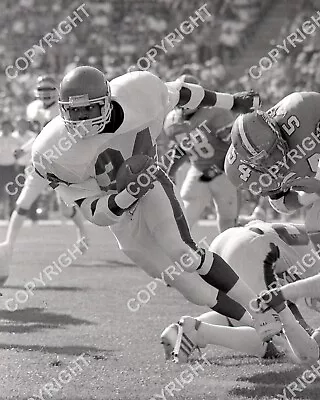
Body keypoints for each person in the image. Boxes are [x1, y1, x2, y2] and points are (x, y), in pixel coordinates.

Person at [31, 66, 281, 343]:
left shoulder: (139, 92)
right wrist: (127, 194)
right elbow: (96, 213)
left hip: (149, 182)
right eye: (74, 112)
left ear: (106, 101)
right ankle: (256, 327)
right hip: (117, 204)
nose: (81, 121)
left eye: (88, 110)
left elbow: (182, 92)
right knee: (190, 288)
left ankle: (261, 308)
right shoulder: (53, 153)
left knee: (183, 251)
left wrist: (231, 102)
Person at [161, 219, 320, 363]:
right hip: (253, 251)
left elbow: (289, 300)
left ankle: (180, 330)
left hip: (227, 241)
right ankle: (199, 332)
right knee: (279, 338)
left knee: (250, 314)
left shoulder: (308, 234)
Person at [0, 76, 88, 284]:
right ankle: (8, 247)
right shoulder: (33, 109)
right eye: (41, 88)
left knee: (65, 208)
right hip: (39, 163)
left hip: (62, 163)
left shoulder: (63, 108)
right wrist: (24, 148)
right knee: (22, 204)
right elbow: (39, 135)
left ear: (56, 91)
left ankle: (82, 232)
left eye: (49, 88)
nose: (45, 92)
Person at [224, 91, 320, 249]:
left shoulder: (305, 110)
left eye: (272, 150)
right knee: (314, 223)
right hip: (305, 183)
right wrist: (310, 194)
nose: (271, 161)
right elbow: (282, 204)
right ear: (249, 163)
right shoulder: (241, 173)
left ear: (277, 131)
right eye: (260, 160)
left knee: (315, 222)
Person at [163, 74, 239, 233]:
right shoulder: (172, 121)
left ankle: (231, 247)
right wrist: (170, 171)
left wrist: (221, 168)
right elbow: (183, 148)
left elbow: (234, 146)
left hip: (223, 170)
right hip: (198, 170)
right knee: (184, 217)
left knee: (227, 221)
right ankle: (178, 252)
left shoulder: (215, 113)